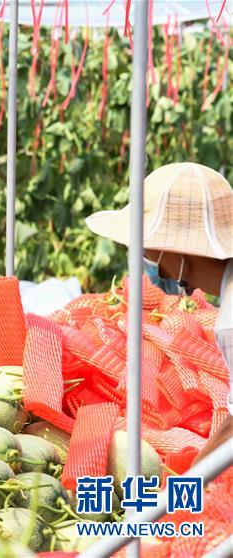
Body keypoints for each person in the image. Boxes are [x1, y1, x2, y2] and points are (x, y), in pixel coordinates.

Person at [86, 161, 232, 463]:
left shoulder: (230, 322)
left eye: (146, 250)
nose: (145, 260)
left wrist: (192, 479)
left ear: (178, 252)